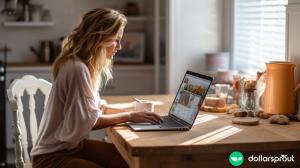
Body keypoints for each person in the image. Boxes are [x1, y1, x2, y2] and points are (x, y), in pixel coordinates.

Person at [31, 8, 160, 168]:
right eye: (116, 39)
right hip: (51, 158)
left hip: (73, 147)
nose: (119, 46)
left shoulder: (82, 64)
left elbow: (98, 109)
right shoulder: (77, 69)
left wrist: (138, 113)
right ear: (100, 38)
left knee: (127, 161)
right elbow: (88, 121)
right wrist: (130, 116)